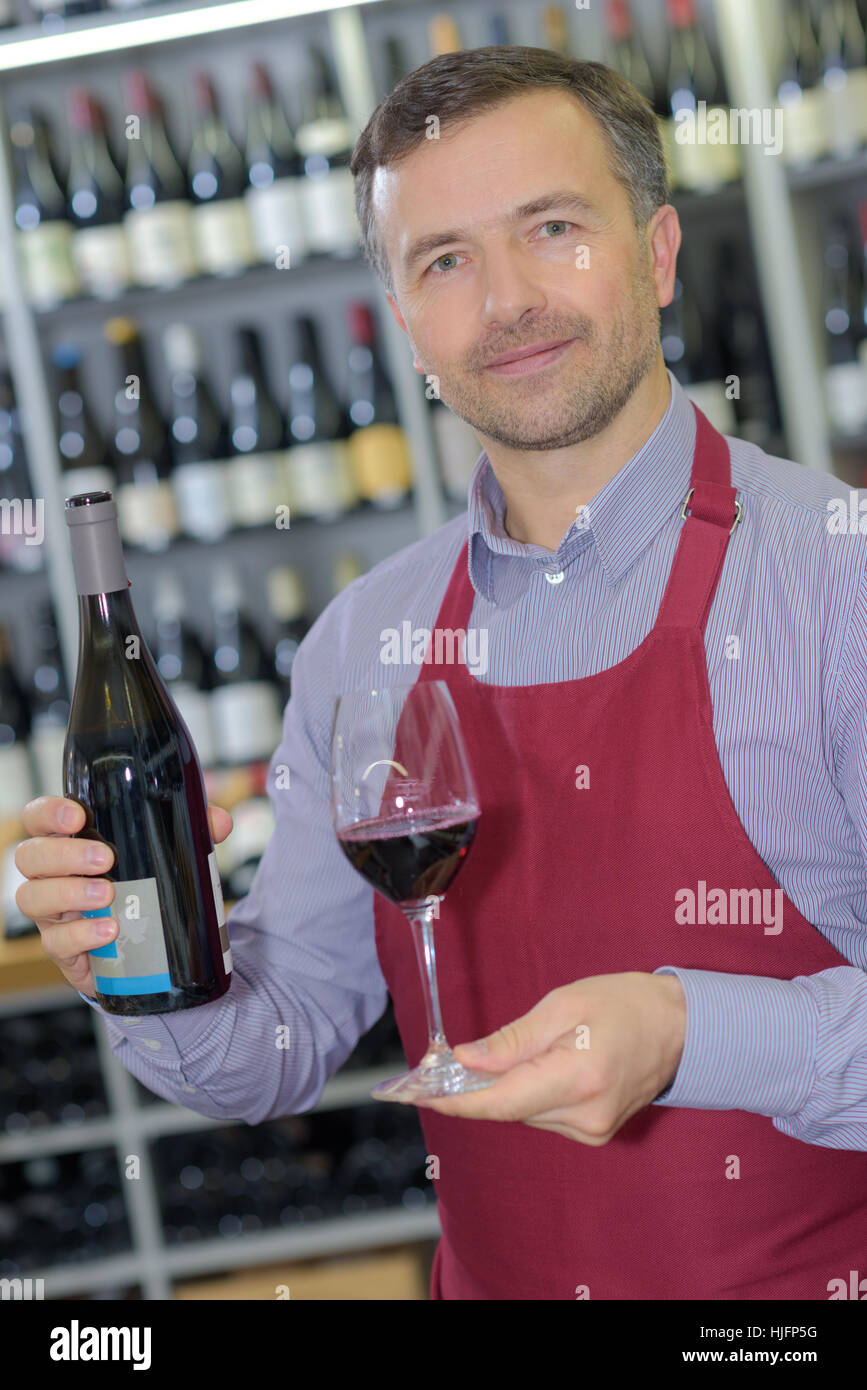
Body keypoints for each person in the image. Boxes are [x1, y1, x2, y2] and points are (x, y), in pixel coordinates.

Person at [15, 47, 867, 1301]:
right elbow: (280, 1044)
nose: (507, 299)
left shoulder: (837, 584)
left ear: (660, 251)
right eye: (445, 261)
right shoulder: (367, 642)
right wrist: (145, 968)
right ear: (407, 317)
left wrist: (688, 1031)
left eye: (554, 227)